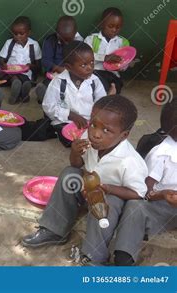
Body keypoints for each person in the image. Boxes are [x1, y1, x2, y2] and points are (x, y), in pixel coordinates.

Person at [22, 95, 148, 266]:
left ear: (124, 135)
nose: (95, 134)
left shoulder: (130, 161)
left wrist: (107, 189)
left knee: (102, 201)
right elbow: (77, 164)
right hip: (87, 188)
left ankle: (93, 256)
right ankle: (54, 229)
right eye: (93, 125)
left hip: (112, 199)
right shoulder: (88, 139)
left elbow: (138, 194)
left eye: (106, 130)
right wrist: (74, 152)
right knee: (69, 173)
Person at [113, 98, 177, 266]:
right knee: (135, 208)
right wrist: (163, 195)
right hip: (164, 206)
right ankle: (123, 259)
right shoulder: (161, 154)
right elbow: (145, 192)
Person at [42, 41, 106, 147]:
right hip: (66, 121)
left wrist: (96, 117)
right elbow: (48, 106)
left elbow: (102, 102)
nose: (90, 68)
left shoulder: (95, 81)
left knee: (105, 134)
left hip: (90, 121)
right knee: (69, 139)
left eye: (92, 63)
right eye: (83, 65)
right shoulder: (58, 81)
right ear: (68, 67)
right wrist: (71, 115)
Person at [35, 16, 83, 103]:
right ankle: (49, 97)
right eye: (62, 40)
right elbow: (45, 61)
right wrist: (57, 68)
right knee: (48, 86)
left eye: (68, 40)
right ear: (57, 33)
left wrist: (71, 71)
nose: (66, 43)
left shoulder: (80, 43)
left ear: (75, 33)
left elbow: (82, 63)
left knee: (76, 88)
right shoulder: (50, 40)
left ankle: (54, 100)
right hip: (54, 74)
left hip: (73, 75)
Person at [84, 7, 129, 94]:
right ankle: (105, 95)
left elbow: (126, 62)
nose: (114, 30)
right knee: (94, 83)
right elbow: (85, 56)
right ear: (101, 24)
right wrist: (104, 57)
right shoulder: (91, 39)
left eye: (118, 27)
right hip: (95, 72)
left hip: (113, 75)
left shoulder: (123, 42)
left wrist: (121, 65)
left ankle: (108, 93)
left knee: (116, 84)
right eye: (110, 26)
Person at [0, 16, 41, 103]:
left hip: (26, 73)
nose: (18, 36)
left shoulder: (34, 45)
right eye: (15, 34)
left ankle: (24, 93)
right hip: (10, 72)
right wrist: (3, 65)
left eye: (21, 34)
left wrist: (30, 66)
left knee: (25, 80)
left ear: (29, 32)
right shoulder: (9, 43)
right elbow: (1, 58)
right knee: (15, 78)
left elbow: (38, 65)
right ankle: (16, 95)